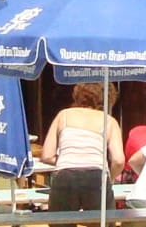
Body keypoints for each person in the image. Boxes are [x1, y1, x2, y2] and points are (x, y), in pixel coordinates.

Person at [40, 82, 125, 211]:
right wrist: (110, 178)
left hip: (65, 175)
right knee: (103, 223)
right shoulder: (109, 121)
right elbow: (118, 160)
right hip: (96, 176)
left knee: (61, 223)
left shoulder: (63, 115)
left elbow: (46, 155)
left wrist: (69, 160)